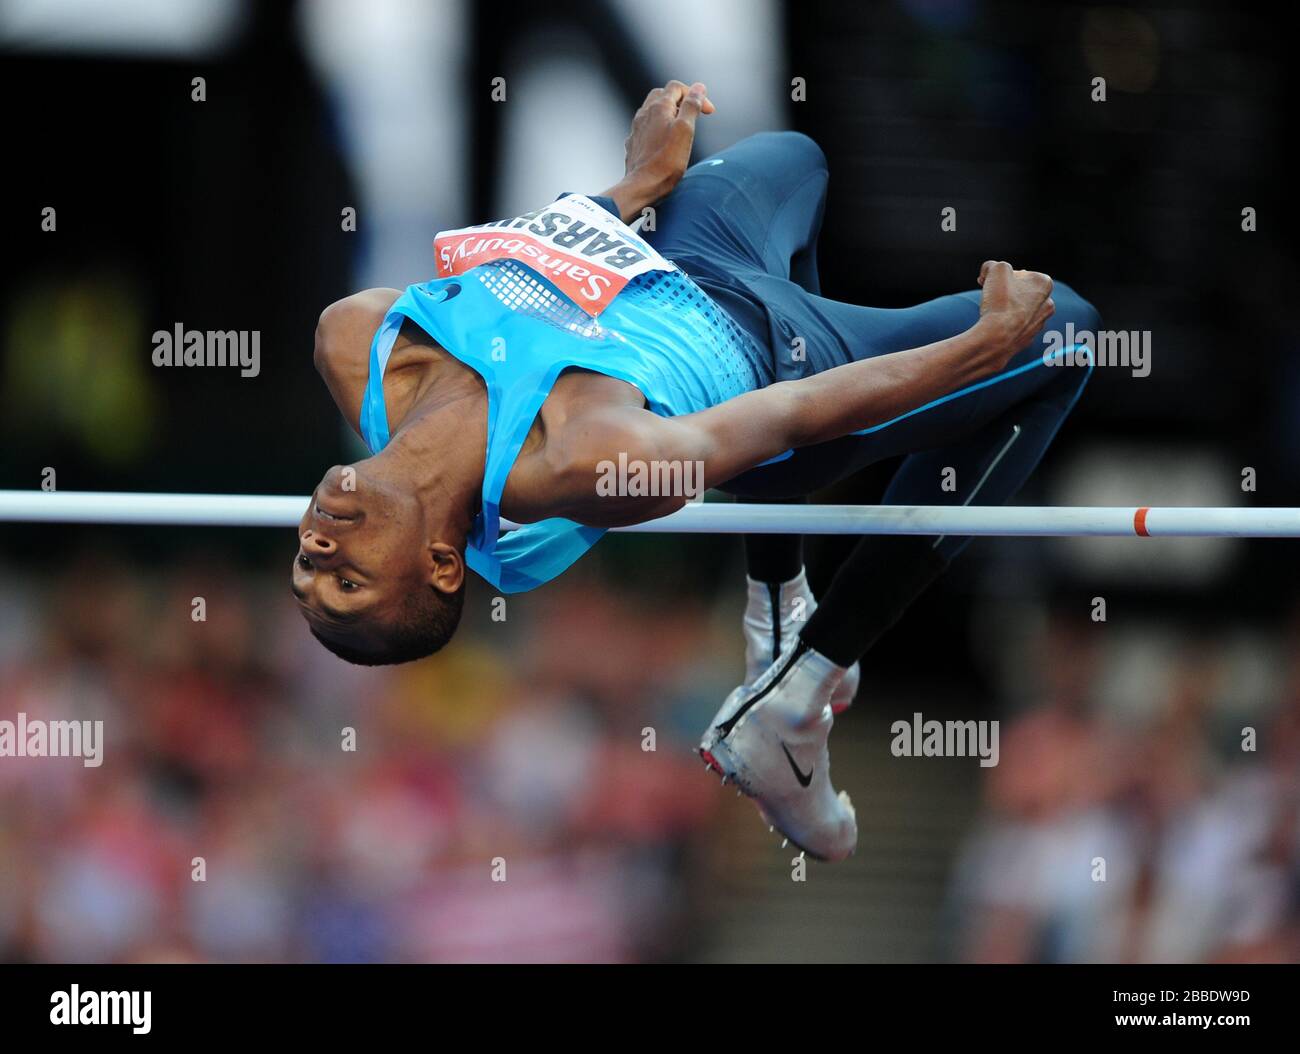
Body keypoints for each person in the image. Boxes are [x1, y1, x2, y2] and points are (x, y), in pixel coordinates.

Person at [294, 80, 1099, 860]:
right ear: (440, 564)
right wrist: (980, 350)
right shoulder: (586, 462)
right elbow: (794, 416)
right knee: (1069, 330)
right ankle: (802, 683)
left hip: (681, 259)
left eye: (307, 576)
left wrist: (640, 181)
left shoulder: (356, 342)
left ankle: (777, 609)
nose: (316, 560)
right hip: (780, 357)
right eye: (348, 584)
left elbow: (527, 274)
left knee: (797, 158)